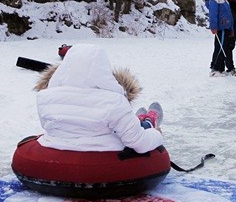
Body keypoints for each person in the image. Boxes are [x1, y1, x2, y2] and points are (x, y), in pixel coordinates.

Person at [34, 44, 164, 154]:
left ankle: (138, 121)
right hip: (101, 159)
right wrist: (157, 135)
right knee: (139, 130)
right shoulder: (114, 101)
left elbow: (50, 128)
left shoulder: (44, 97)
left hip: (58, 159)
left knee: (120, 124)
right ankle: (149, 122)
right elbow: (138, 142)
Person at [207, 0, 236, 77]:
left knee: (225, 47)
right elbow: (213, 14)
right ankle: (214, 68)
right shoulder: (215, 0)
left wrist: (231, 28)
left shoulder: (226, 1)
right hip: (221, 28)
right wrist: (214, 26)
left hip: (227, 28)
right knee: (219, 47)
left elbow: (229, 16)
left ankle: (221, 67)